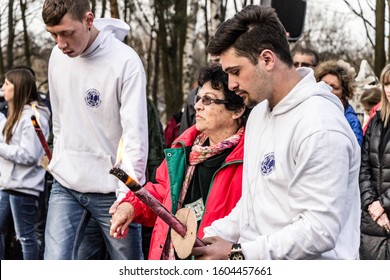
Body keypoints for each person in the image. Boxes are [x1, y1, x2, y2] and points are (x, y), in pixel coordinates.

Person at [191, 5, 361, 260]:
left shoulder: (320, 125)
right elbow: (255, 202)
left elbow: (319, 230)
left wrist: (238, 253)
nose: (231, 84)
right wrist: (210, 236)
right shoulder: (259, 114)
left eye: (235, 72)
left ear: (267, 59)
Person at [42, 0, 148, 260]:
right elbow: (59, 119)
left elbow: (135, 136)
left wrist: (127, 197)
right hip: (66, 184)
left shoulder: (125, 62)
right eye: (53, 34)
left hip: (112, 191)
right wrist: (59, 158)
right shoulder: (57, 56)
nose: (60, 43)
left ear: (89, 20)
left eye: (67, 33)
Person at [110, 64, 248, 260]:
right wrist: (131, 205)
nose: (197, 105)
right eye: (198, 98)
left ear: (237, 110)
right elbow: (163, 193)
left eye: (208, 100)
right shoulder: (185, 148)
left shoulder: (249, 158)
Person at [0, 68, 51, 260]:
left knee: (25, 237)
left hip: (24, 187)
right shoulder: (15, 115)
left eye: (7, 84)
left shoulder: (33, 118)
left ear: (18, 87)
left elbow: (29, 155)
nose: (3, 88)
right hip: (8, 184)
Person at [359, 64, 390, 259]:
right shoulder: (376, 121)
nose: (389, 89)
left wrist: (384, 204)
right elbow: (364, 166)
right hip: (373, 220)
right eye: (386, 84)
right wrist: (372, 204)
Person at [315, 60, 363, 146]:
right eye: (323, 84)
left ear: (344, 92)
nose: (327, 89)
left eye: (334, 87)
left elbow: (355, 151)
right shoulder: (310, 110)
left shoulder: (351, 121)